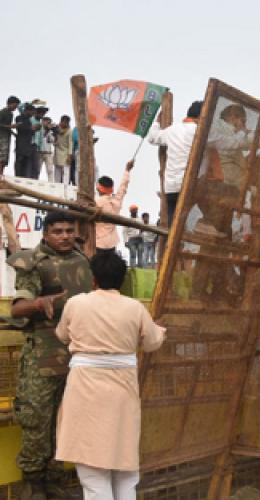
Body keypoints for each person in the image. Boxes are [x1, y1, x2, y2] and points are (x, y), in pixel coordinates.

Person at [54, 251, 165, 500]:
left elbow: (62, 335)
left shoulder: (76, 303)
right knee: (125, 470)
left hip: (84, 389)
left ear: (92, 279)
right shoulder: (134, 308)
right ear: (123, 279)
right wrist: (159, 327)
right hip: (122, 391)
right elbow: (153, 342)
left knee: (93, 474)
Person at [8, 211, 93, 499]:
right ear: (46, 234)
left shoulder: (82, 260)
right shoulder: (33, 263)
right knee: (36, 420)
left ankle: (56, 480)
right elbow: (16, 309)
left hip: (75, 357)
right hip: (41, 357)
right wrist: (38, 302)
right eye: (58, 231)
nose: (66, 236)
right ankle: (33, 483)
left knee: (65, 421)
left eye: (70, 230)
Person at [147, 101, 203, 227]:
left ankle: (172, 244)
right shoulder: (199, 132)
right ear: (202, 116)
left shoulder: (172, 130)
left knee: (174, 224)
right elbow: (226, 143)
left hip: (171, 187)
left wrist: (157, 122)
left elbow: (152, 138)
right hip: (189, 186)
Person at [95, 161, 133, 253]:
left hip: (98, 242)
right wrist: (127, 171)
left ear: (98, 188)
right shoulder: (116, 201)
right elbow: (123, 188)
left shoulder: (96, 202)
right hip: (112, 242)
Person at [14, 103, 39, 179]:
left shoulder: (29, 120)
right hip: (21, 145)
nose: (33, 114)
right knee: (19, 162)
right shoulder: (19, 118)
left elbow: (31, 132)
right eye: (32, 112)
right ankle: (17, 178)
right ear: (27, 110)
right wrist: (31, 128)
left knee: (26, 165)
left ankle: (23, 179)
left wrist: (34, 129)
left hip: (28, 146)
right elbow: (20, 127)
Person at [0, 96, 20, 176]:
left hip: (7, 137)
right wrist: (10, 127)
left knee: (4, 158)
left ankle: (1, 174)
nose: (15, 108)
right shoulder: (2, 112)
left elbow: (8, 126)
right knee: (1, 156)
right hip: (1, 138)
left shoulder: (11, 114)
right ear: (9, 104)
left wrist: (13, 133)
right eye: (15, 105)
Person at [52, 116, 73, 184]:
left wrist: (69, 156)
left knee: (66, 172)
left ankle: (65, 186)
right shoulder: (56, 129)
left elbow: (70, 144)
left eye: (66, 122)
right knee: (57, 170)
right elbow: (53, 141)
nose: (64, 123)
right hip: (57, 152)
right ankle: (56, 185)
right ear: (61, 121)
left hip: (66, 153)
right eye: (63, 122)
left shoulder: (70, 131)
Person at [38, 117, 55, 182]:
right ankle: (35, 182)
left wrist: (54, 132)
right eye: (47, 122)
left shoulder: (50, 131)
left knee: (50, 170)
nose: (48, 124)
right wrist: (48, 130)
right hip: (40, 152)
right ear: (42, 122)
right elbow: (43, 136)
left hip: (48, 153)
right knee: (38, 170)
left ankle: (51, 184)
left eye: (49, 122)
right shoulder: (39, 129)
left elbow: (53, 141)